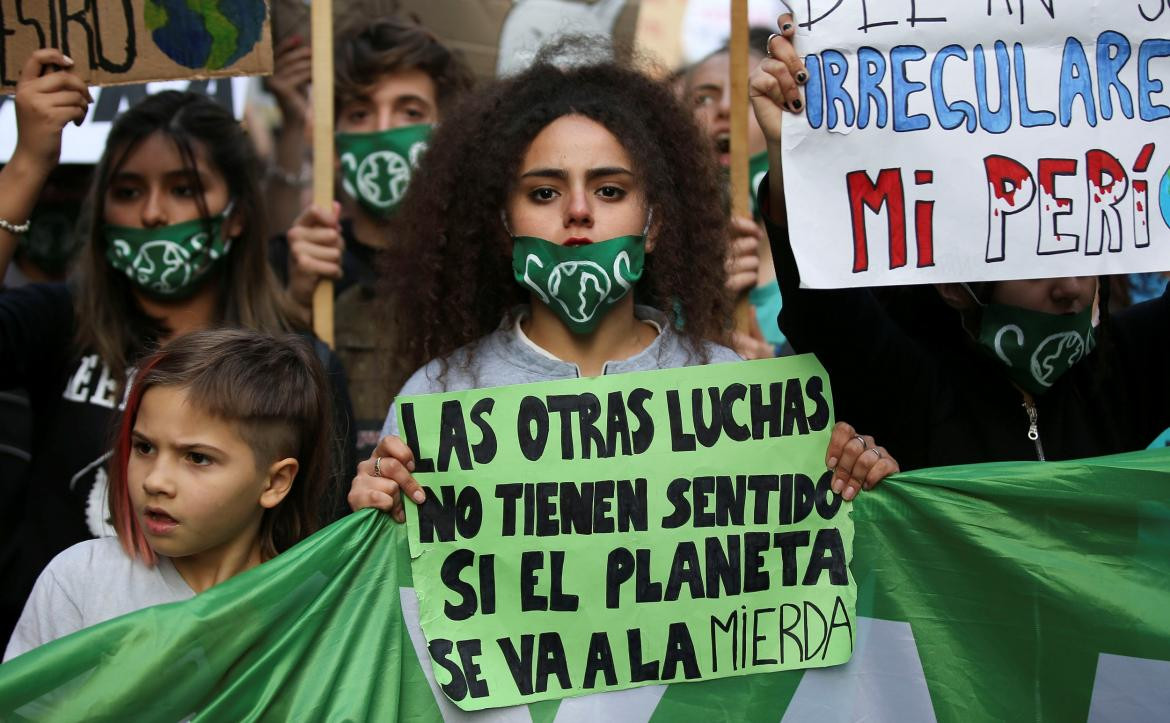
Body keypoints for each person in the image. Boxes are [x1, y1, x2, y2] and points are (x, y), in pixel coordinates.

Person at [345, 43, 900, 521]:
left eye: (610, 190)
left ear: (655, 223)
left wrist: (853, 479)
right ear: (503, 223)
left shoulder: (731, 389)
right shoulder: (435, 402)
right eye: (544, 192)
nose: (579, 211)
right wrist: (376, 520)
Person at [0, 50, 355, 648]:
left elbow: (321, 556)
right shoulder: (60, 322)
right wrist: (27, 163)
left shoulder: (297, 367)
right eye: (129, 190)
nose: (155, 212)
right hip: (61, 657)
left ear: (237, 215)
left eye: (184, 189)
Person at [751, 16, 1170, 468]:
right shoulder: (913, 392)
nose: (1070, 286)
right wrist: (790, 152)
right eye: (1032, 260)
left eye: (1081, 249)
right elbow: (825, 312)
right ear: (953, 284)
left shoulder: (1125, 374)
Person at [4, 329, 332, 661]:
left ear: (275, 482)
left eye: (197, 457)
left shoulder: (309, 619)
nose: (155, 481)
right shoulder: (82, 582)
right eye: (144, 447)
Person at [270, 17, 476, 460]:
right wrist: (295, 307)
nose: (384, 130)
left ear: (448, 129)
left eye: (410, 112)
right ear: (333, 139)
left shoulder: (480, 266)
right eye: (361, 113)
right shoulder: (295, 263)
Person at [683, 27, 789, 358]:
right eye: (704, 98)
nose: (726, 108)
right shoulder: (648, 271)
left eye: (748, 95)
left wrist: (776, 377)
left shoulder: (826, 265)